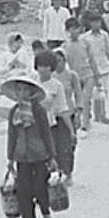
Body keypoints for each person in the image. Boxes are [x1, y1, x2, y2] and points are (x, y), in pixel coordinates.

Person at [3, 77, 58, 218]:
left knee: (40, 188)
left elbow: (46, 133)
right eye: (18, 90)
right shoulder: (14, 112)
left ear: (31, 92)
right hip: (21, 157)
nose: (21, 93)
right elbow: (12, 135)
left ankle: (46, 213)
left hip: (40, 155)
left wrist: (52, 156)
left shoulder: (38, 110)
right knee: (23, 191)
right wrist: (10, 158)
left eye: (25, 90)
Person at [33, 50, 77, 184]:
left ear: (51, 68)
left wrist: (71, 130)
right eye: (40, 65)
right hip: (33, 123)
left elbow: (63, 109)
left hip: (49, 124)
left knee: (55, 152)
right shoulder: (31, 81)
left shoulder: (56, 86)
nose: (43, 69)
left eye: (46, 66)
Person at [62, 17, 102, 137]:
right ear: (67, 31)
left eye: (76, 28)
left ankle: (85, 125)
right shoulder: (65, 46)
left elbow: (92, 60)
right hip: (75, 77)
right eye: (71, 29)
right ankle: (78, 119)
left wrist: (96, 75)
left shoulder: (85, 42)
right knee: (77, 100)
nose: (74, 31)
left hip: (88, 74)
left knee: (86, 99)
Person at [81, 10, 109, 126]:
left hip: (104, 67)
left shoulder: (105, 36)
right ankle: (91, 113)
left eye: (98, 22)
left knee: (103, 92)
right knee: (91, 93)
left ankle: (103, 114)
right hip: (90, 69)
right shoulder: (84, 38)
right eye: (94, 22)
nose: (97, 24)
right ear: (90, 23)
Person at [53, 49, 82, 186]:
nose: (58, 64)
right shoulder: (50, 77)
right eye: (55, 61)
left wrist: (79, 114)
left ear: (65, 61)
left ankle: (69, 172)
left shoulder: (71, 76)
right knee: (55, 145)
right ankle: (58, 170)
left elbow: (78, 94)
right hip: (54, 115)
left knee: (69, 145)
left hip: (69, 113)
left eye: (60, 60)